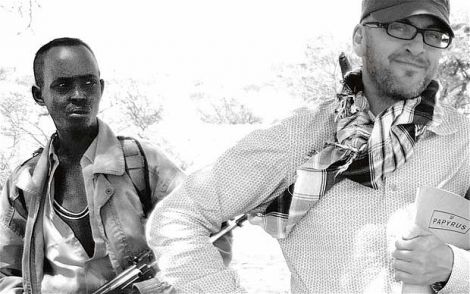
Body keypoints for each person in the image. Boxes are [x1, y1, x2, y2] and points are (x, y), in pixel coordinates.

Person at [146, 0, 470, 293]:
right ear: (360, 38)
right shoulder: (299, 135)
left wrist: (454, 268)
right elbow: (178, 217)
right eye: (399, 28)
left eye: (434, 35)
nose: (417, 46)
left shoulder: (463, 142)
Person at [0, 37, 187, 294]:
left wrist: (148, 289)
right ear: (39, 95)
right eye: (63, 85)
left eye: (88, 83)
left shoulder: (144, 163)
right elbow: (6, 272)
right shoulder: (24, 184)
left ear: (100, 87)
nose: (79, 95)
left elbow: (205, 242)